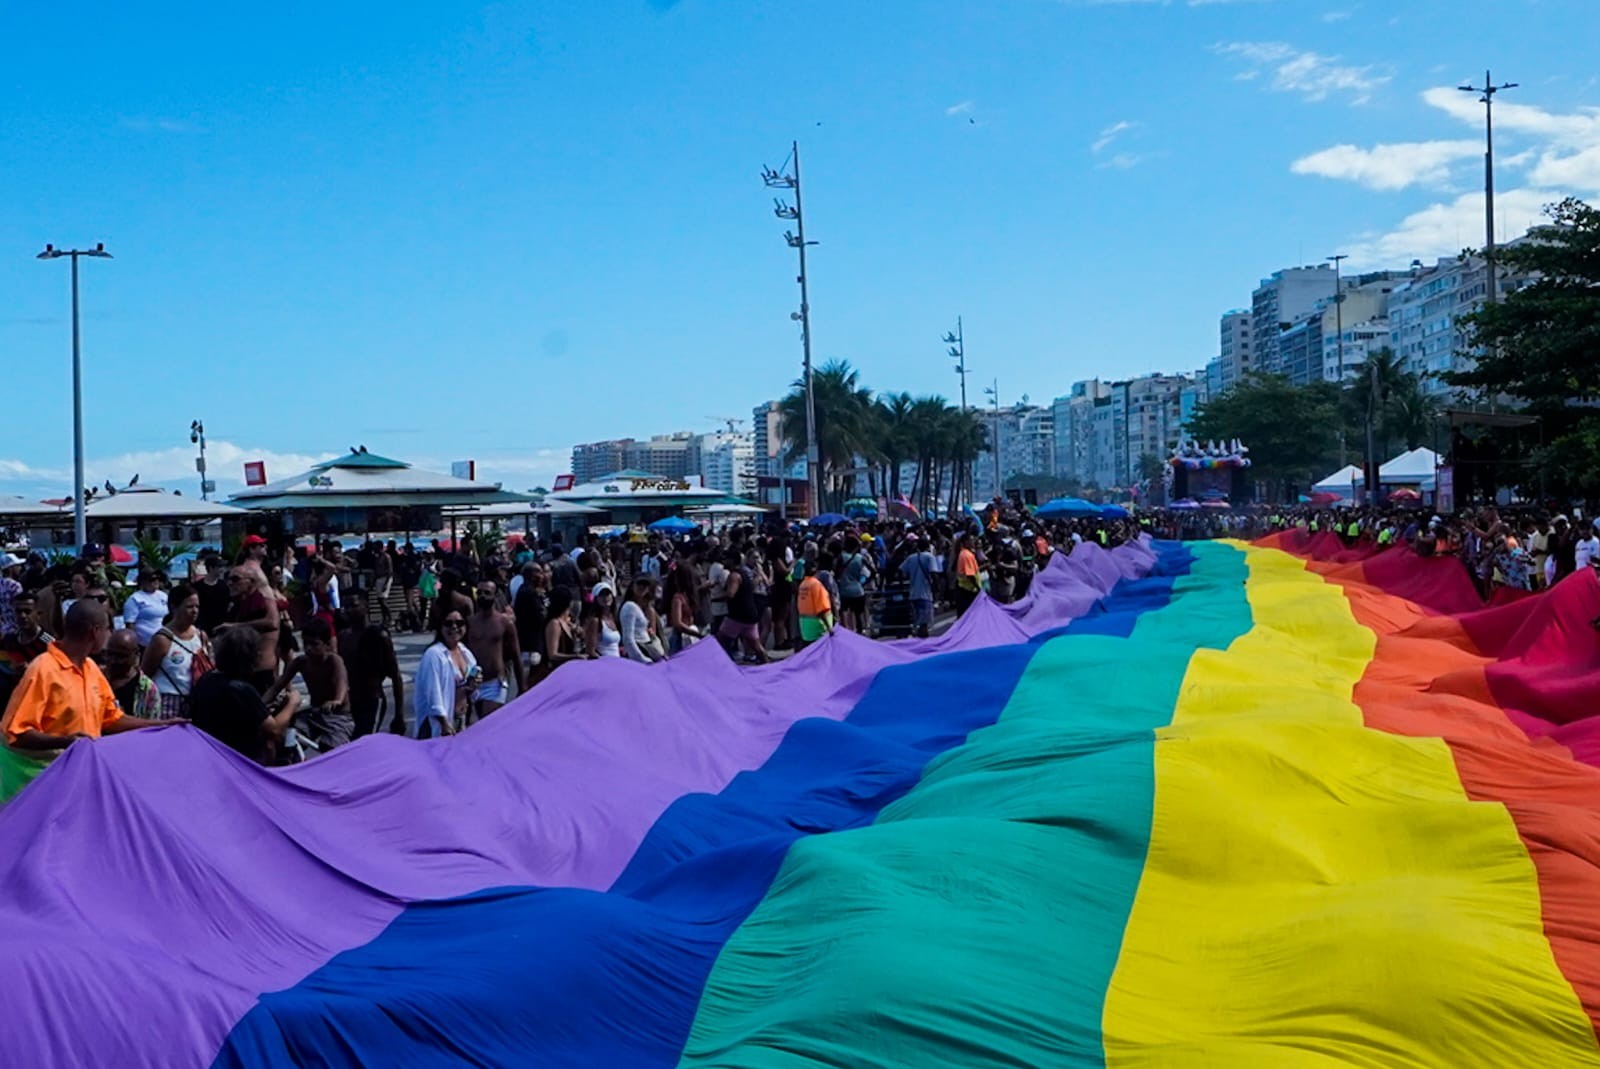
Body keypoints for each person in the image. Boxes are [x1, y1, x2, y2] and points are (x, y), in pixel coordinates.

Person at [2, 601, 174, 753]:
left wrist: (160, 725)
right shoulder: (43, 669)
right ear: (95, 632)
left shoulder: (91, 668)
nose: (109, 634)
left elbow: (111, 719)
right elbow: (17, 733)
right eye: (108, 628)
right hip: (44, 778)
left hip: (79, 772)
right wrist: (65, 742)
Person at [189, 625, 299, 763]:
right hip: (243, 760)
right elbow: (273, 730)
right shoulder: (242, 689)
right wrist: (292, 704)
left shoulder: (206, 680)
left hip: (212, 755)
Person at [279, 617, 355, 750]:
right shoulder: (301, 662)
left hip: (337, 718)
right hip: (313, 714)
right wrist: (262, 702)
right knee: (289, 742)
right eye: (306, 643)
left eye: (314, 644)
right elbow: (277, 686)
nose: (308, 648)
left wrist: (336, 700)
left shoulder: (334, 661)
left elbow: (342, 683)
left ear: (327, 644)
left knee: (332, 750)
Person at [338, 590, 405, 737]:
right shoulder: (343, 637)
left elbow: (396, 676)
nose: (348, 610)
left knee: (367, 742)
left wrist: (399, 714)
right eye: (346, 607)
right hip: (350, 703)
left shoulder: (379, 636)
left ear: (366, 606)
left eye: (353, 606)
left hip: (372, 701)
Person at [141, 582, 212, 721]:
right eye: (189, 607)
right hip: (168, 704)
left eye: (197, 606)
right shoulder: (162, 640)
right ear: (174, 607)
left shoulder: (201, 636)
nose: (195, 611)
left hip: (195, 703)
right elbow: (145, 675)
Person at [216, 562, 280, 694]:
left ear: (251, 582)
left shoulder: (263, 598)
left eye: (235, 579)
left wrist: (234, 627)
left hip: (261, 670)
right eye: (228, 578)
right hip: (242, 670)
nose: (230, 583)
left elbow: (272, 623)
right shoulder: (238, 603)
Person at [413, 611, 477, 739]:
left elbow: (471, 691)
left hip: (460, 719)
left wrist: (474, 684)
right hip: (438, 724)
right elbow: (433, 693)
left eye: (459, 623)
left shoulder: (465, 652)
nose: (454, 627)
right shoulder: (433, 655)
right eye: (448, 624)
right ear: (440, 627)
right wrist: (444, 723)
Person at [466, 579, 524, 718]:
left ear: (494, 595)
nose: (482, 596)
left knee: (489, 720)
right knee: (482, 723)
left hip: (495, 683)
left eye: (487, 593)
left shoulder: (504, 623)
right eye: (479, 592)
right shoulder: (470, 623)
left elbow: (516, 656)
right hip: (475, 683)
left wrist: (522, 686)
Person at [0, 591, 53, 710]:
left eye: (27, 611)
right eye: (18, 612)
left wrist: (32, 669)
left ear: (38, 614)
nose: (23, 616)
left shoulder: (48, 641)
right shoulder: (9, 640)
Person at [97, 629, 164, 722]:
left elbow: (151, 726)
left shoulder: (147, 690)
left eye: (121, 656)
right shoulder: (95, 678)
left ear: (136, 654)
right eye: (110, 654)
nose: (113, 660)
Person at [717, 554, 770, 663]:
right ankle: (767, 666)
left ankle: (728, 667)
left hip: (737, 616)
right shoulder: (744, 574)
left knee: (721, 641)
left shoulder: (734, 575)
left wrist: (714, 599)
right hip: (750, 615)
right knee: (756, 646)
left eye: (726, 559)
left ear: (731, 560)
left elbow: (730, 594)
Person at [898, 535, 938, 638]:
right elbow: (934, 573)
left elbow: (901, 571)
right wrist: (936, 587)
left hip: (913, 594)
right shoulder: (929, 557)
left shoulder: (911, 558)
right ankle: (923, 644)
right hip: (925, 594)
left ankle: (917, 640)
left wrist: (902, 586)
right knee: (924, 624)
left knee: (917, 622)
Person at [620, 577, 667, 663]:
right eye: (639, 584)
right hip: (641, 652)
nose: (642, 587)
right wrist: (642, 659)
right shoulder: (630, 606)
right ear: (632, 586)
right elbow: (628, 639)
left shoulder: (643, 608)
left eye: (645, 585)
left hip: (647, 649)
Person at [540, 588, 584, 676]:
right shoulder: (554, 624)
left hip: (568, 671)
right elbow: (552, 654)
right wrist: (575, 657)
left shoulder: (568, 622)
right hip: (556, 673)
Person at [121, 570, 169, 647]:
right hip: (144, 644)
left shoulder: (163, 596)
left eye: (158, 578)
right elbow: (130, 624)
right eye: (152, 579)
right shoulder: (135, 599)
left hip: (165, 640)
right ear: (143, 582)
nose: (156, 581)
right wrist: (134, 644)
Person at [796, 558, 834, 647]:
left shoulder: (803, 585)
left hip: (806, 628)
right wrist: (829, 628)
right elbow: (822, 609)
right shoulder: (816, 585)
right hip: (818, 628)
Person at [583, 582, 622, 659]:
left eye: (607, 594)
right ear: (596, 599)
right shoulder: (595, 621)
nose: (605, 598)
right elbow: (590, 650)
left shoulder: (614, 618)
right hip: (604, 663)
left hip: (617, 662)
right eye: (601, 595)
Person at [953, 533, 982, 616]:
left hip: (966, 590)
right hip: (968, 591)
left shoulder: (965, 553)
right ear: (965, 542)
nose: (973, 542)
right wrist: (978, 588)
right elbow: (970, 575)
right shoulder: (966, 555)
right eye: (971, 540)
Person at [0, 552, 25, 638]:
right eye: (17, 565)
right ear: (11, 568)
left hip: (4, 630)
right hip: (17, 630)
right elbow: (21, 607)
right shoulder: (15, 586)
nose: (20, 568)